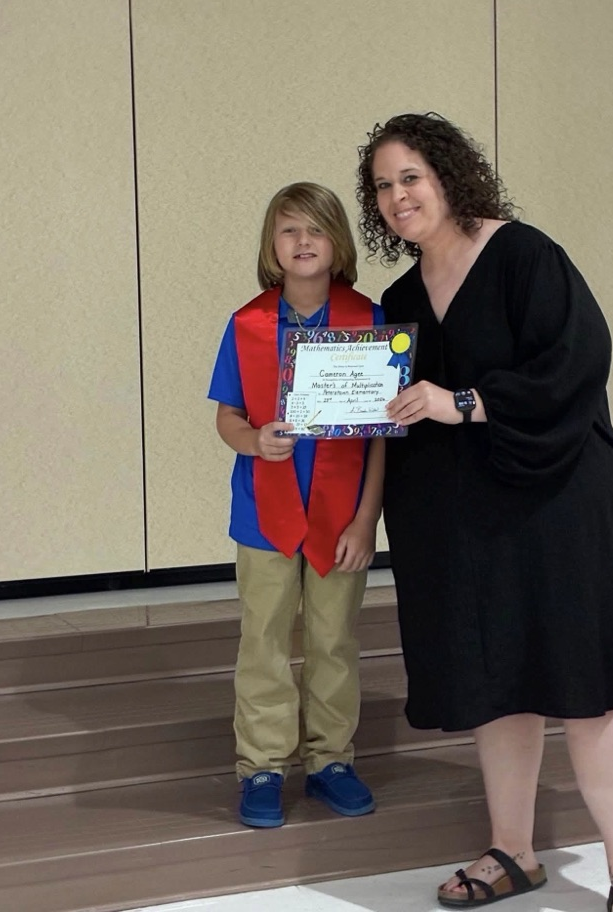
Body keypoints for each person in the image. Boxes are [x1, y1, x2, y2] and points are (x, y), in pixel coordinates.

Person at [355, 114, 613, 911]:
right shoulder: (399, 298)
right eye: (383, 186)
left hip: (561, 501)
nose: (397, 196)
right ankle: (513, 853)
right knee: (499, 681)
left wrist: (463, 400)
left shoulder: (523, 255)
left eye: (410, 176)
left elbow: (578, 363)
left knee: (590, 685)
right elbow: (399, 419)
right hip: (468, 525)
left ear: (450, 175)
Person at [208, 182, 384, 828]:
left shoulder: (368, 323)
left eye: (315, 230)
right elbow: (226, 417)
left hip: (342, 519)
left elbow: (380, 438)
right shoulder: (248, 325)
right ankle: (261, 765)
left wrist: (367, 519)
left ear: (337, 242)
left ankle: (331, 760)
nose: (303, 242)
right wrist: (254, 440)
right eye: (289, 230)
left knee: (334, 640)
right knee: (265, 640)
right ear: (271, 246)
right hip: (264, 515)